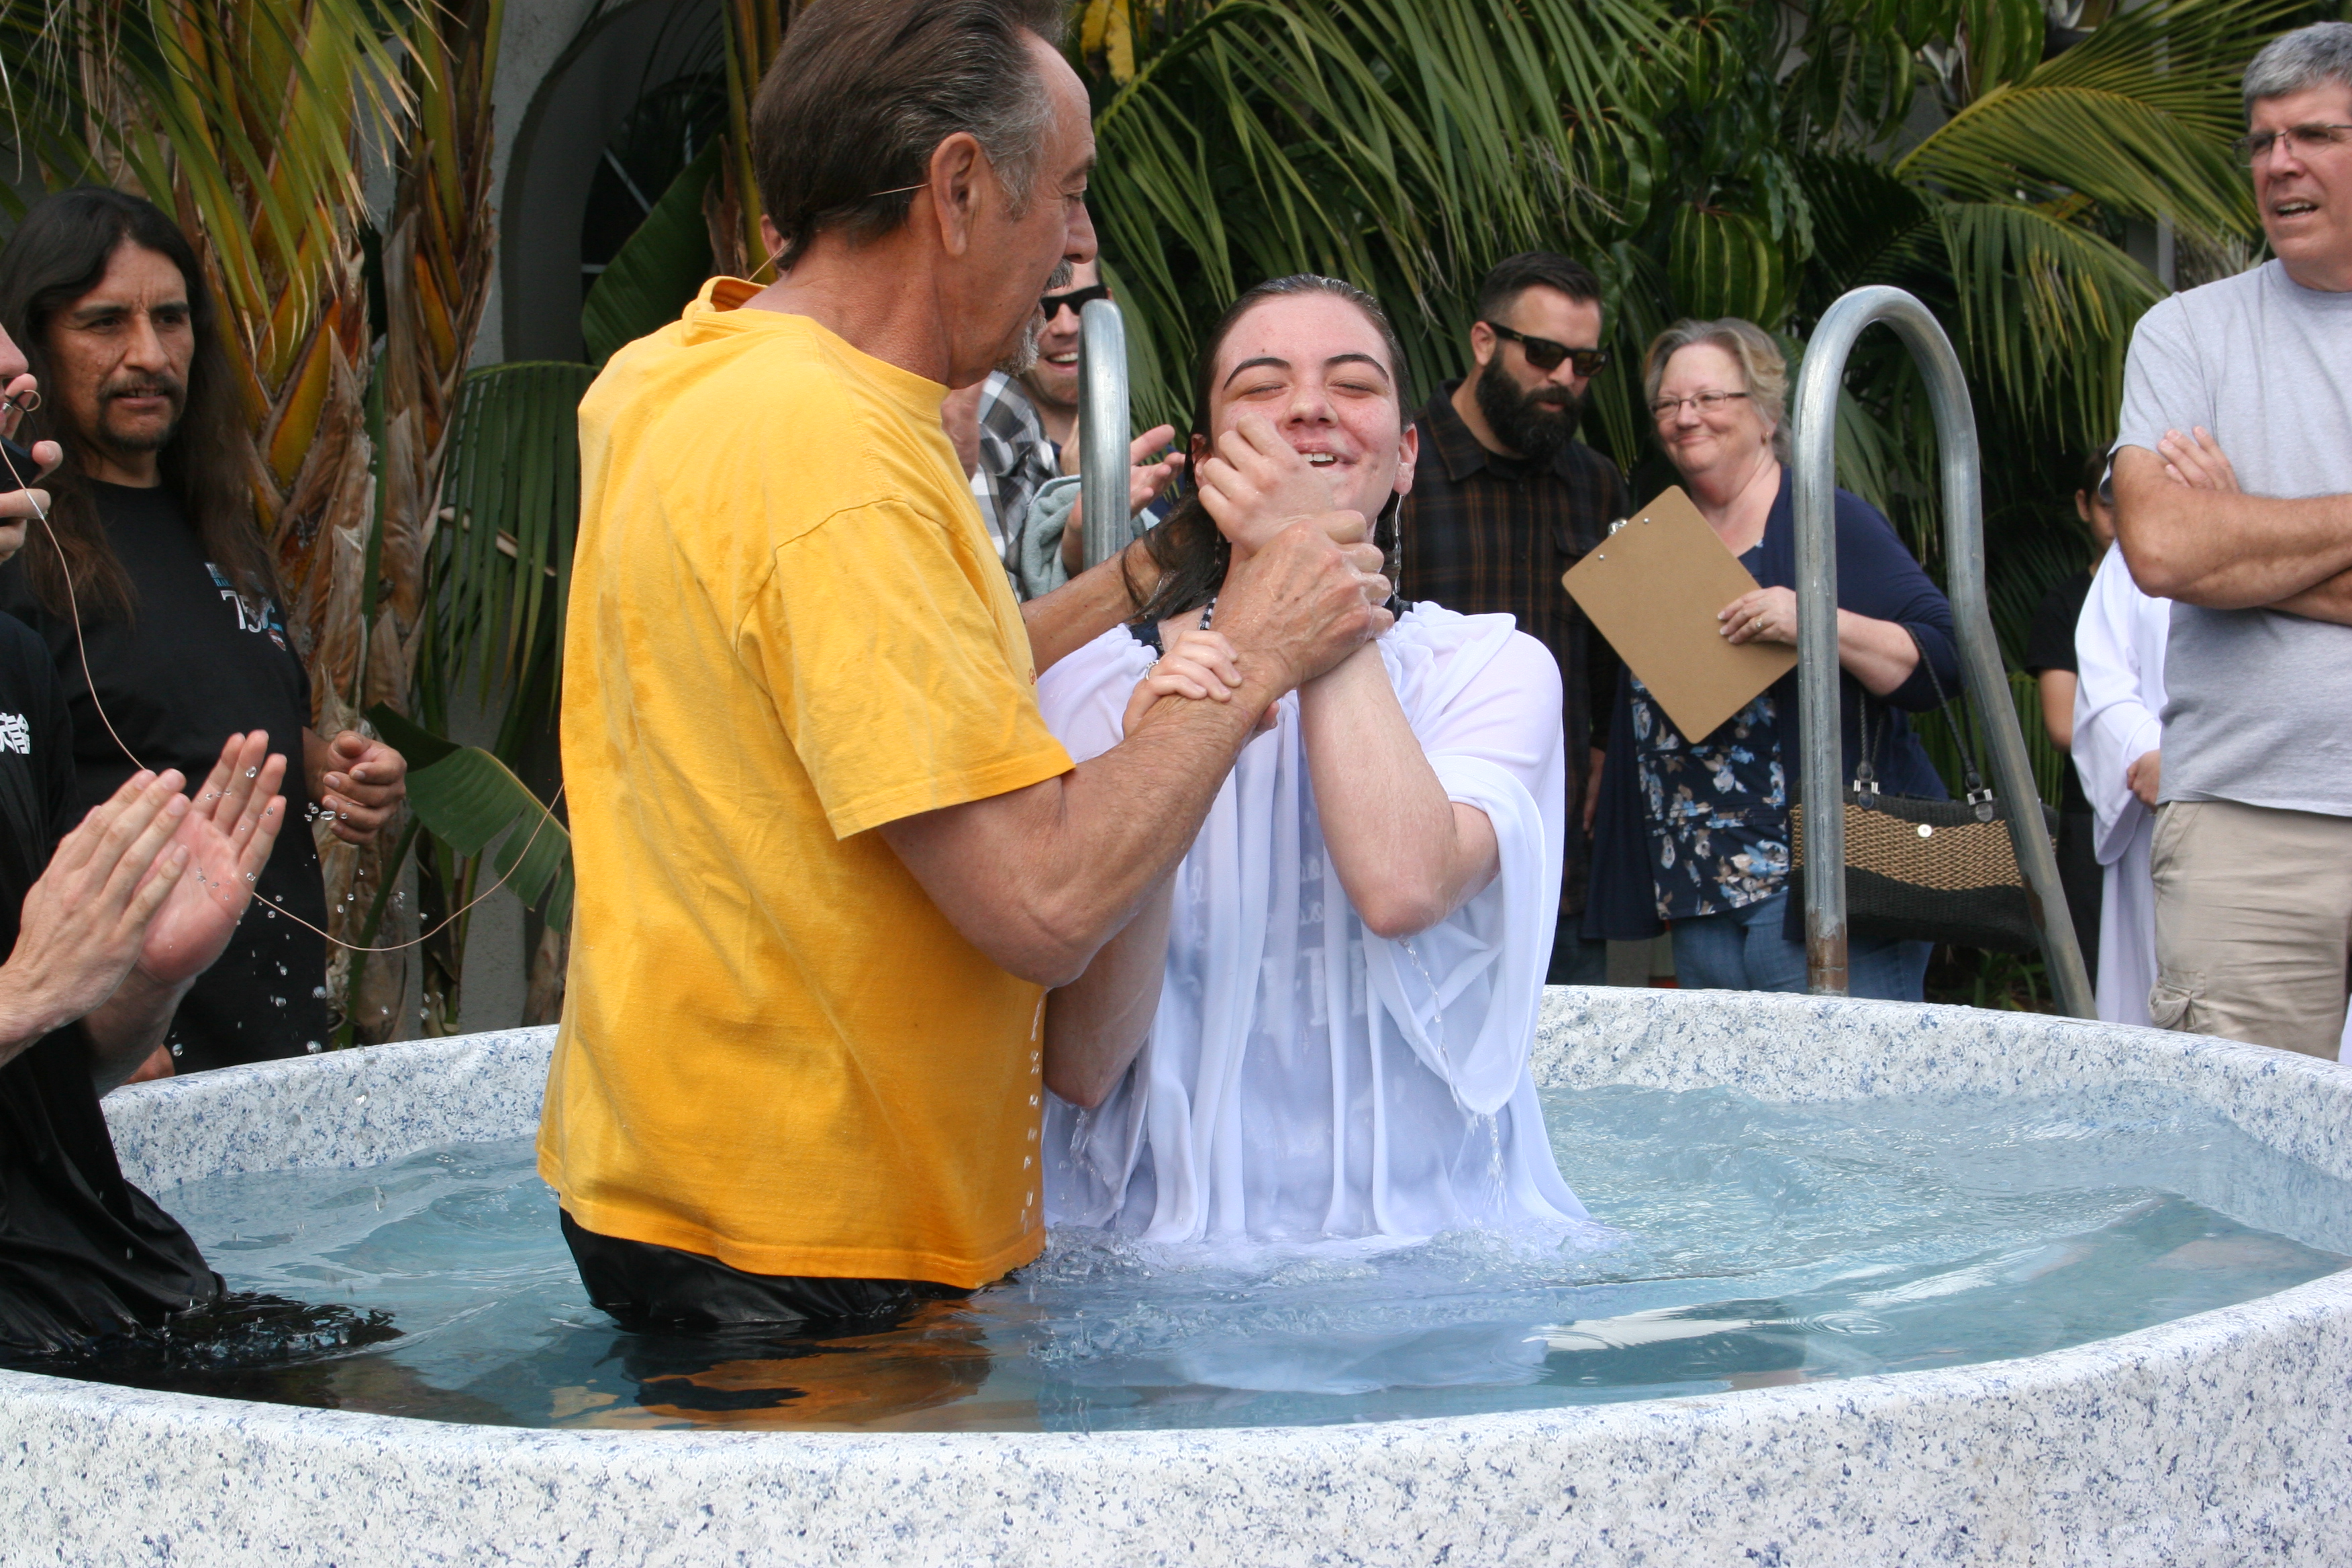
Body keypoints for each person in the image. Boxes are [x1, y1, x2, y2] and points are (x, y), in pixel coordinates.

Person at [540, 0, 1391, 1337]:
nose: (1069, 250)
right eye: (1066, 194)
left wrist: (1161, 570)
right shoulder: (842, 462)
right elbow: (1042, 903)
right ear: (955, 189)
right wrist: (1256, 648)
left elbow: (907, 671)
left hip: (671, 1174)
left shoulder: (673, 374)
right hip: (810, 1233)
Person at [1037, 275, 1589, 1248]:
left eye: (1354, 383)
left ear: (1406, 454)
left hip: (1434, 1247)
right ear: (1206, 463)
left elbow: (1402, 883)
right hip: (1153, 1252)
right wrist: (1161, 760)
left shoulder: (1493, 669)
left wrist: (1308, 563)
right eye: (1262, 386)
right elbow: (1082, 1068)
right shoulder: (1092, 685)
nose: (1308, 406)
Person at [0, 188, 407, 1075]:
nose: (148, 355)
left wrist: (329, 769)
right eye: (104, 322)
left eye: (171, 319)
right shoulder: (19, 542)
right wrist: (92, 1020)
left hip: (271, 1042)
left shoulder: (219, 524)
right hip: (119, 1056)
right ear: (34, 342)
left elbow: (198, 727)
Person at [0, 320, 297, 1354]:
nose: (18, 374)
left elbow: (54, 1076)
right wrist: (20, 995)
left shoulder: (15, 665)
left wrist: (145, 982)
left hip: (98, 1271)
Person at [1583, 319, 1959, 1000]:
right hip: (1698, 892)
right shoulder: (1658, 539)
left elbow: (1943, 657)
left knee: (1841, 1074)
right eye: (1668, 404)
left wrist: (1813, 619)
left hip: (1818, 893)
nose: (1685, 417)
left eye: (1709, 398)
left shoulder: (1825, 520)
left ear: (1764, 413)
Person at [2110, 20, 2352, 1059]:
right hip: (2245, 826)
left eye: (2314, 135)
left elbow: (2206, 556)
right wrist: (2208, 550)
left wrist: (2244, 542)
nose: (2279, 164)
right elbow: (2166, 552)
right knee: (2243, 1153)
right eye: (2261, 142)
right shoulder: (2187, 334)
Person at [1396, 252, 1626, 987]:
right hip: (1413, 855)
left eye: (1586, 363)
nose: (1565, 378)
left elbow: (1612, 653)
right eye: (1545, 354)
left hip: (1555, 870)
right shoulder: (1395, 468)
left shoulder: (1596, 484)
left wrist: (1600, 746)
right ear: (1484, 342)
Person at [969, 258, 1183, 598]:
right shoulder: (987, 457)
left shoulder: (1163, 462)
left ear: (1108, 304)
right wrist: (1073, 495)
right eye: (1045, 306)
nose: (1066, 327)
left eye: (1084, 302)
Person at [2022, 454, 2113, 978]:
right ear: (2084, 505)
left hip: (2184, 806)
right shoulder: (2066, 604)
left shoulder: (2190, 598)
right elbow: (2063, 726)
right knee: (2098, 977)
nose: (2123, 518)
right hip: (2094, 813)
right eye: (2108, 503)